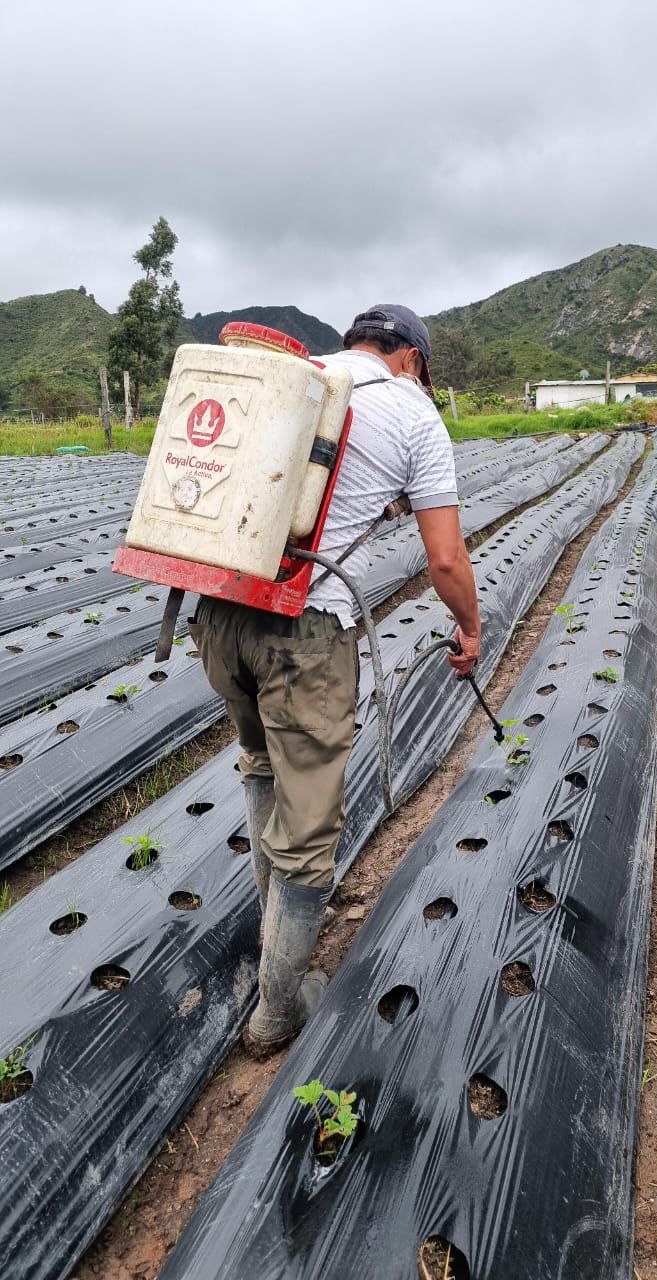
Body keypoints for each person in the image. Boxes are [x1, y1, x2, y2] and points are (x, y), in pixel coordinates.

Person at [188, 305, 481, 1056]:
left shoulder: (301, 377)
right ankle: (277, 1012)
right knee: (310, 827)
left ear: (358, 344)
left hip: (219, 615)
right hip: (303, 631)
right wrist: (472, 628)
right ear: (412, 357)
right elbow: (445, 559)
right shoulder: (413, 416)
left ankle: (270, 930)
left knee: (259, 765)